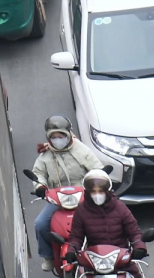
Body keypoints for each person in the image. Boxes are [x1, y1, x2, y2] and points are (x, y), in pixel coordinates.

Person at [30, 115, 105, 270]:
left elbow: (96, 169)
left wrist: (99, 182)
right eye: (54, 137)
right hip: (57, 200)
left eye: (61, 136)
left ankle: (102, 251)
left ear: (68, 134)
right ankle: (48, 256)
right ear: (49, 137)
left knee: (103, 219)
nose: (58, 139)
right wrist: (40, 187)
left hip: (83, 197)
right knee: (40, 224)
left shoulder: (82, 150)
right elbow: (39, 174)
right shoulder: (45, 155)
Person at [68, 169, 146, 271]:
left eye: (100, 191)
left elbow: (134, 231)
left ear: (107, 191)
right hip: (94, 261)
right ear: (88, 192)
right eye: (93, 192)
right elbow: (76, 237)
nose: (97, 195)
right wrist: (71, 251)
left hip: (122, 259)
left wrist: (139, 247)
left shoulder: (120, 207)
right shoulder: (82, 210)